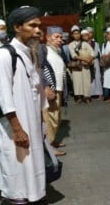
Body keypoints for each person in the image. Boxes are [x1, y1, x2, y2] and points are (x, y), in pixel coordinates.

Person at [0, 6, 48, 204]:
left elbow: (37, 92)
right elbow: (3, 95)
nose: (38, 30)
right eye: (32, 26)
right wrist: (17, 129)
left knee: (31, 169)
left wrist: (41, 122)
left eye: (39, 26)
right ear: (16, 27)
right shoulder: (4, 55)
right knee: (17, 171)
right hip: (14, 126)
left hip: (31, 123)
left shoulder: (33, 53)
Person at [40, 26, 67, 156]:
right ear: (48, 37)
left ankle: (52, 140)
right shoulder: (43, 50)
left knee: (56, 117)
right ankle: (49, 147)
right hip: (50, 90)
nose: (59, 40)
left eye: (61, 37)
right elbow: (39, 69)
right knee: (49, 118)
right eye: (56, 37)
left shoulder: (57, 51)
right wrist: (46, 87)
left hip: (59, 89)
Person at [68, 26, 95, 104]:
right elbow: (74, 56)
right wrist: (85, 59)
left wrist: (90, 59)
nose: (76, 35)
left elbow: (92, 52)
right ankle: (78, 97)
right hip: (77, 65)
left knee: (86, 80)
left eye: (78, 33)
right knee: (77, 81)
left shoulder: (85, 43)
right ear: (72, 35)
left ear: (80, 34)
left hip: (86, 65)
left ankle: (87, 97)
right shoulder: (71, 45)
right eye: (74, 34)